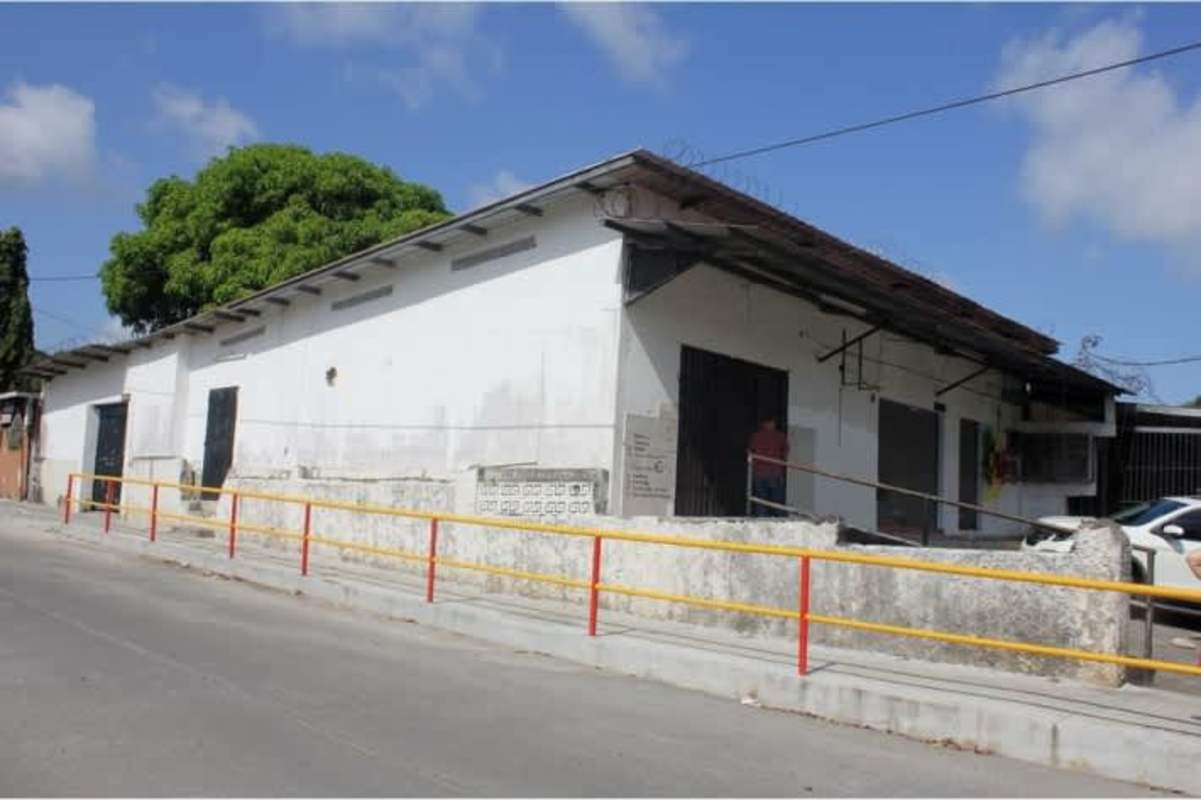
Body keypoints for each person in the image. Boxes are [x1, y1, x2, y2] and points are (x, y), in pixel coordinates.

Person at [748, 416, 789, 517]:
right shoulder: (780, 436)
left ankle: (762, 519)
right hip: (774, 472)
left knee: (761, 499)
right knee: (777, 499)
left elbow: (750, 452)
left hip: (760, 472)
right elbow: (785, 453)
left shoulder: (756, 436)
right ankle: (779, 520)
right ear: (773, 423)